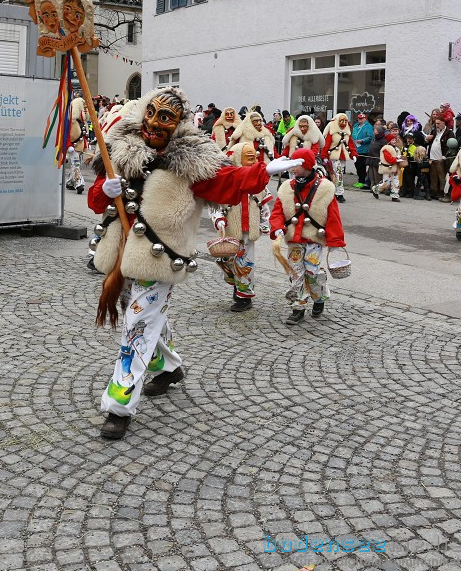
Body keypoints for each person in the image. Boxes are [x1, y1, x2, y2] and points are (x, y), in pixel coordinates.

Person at [87, 87, 269, 440]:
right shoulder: (121, 150)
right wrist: (105, 190)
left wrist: (263, 171)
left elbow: (225, 182)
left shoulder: (191, 161)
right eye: (151, 113)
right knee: (142, 316)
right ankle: (169, 368)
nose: (154, 123)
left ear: (179, 123)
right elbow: (97, 201)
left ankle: (119, 405)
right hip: (122, 254)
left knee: (137, 323)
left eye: (165, 117)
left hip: (160, 259)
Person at [268, 148, 345, 326]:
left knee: (312, 272)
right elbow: (278, 211)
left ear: (308, 165)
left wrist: (334, 240)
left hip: (314, 239)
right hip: (294, 239)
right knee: (296, 273)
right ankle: (298, 307)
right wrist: (278, 228)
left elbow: (333, 215)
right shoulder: (286, 187)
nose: (293, 168)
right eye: (292, 164)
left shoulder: (325, 188)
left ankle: (319, 296)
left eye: (297, 164)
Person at [210, 142, 273, 311]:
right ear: (237, 158)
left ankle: (244, 297)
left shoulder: (259, 180)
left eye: (254, 158)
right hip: (230, 229)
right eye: (248, 158)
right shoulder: (227, 180)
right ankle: (235, 286)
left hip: (249, 229)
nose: (252, 162)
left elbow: (264, 205)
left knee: (246, 262)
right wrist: (218, 219)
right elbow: (215, 205)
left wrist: (264, 222)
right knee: (227, 261)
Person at [322, 112, 358, 202]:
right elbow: (326, 144)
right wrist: (324, 155)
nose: (344, 123)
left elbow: (351, 144)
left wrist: (353, 154)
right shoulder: (332, 132)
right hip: (333, 156)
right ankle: (340, 193)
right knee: (339, 174)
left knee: (337, 174)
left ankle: (333, 191)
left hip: (343, 157)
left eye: (346, 121)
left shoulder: (347, 133)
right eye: (342, 121)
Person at [63, 95, 89, 194]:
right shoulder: (71, 121)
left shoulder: (82, 122)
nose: (85, 111)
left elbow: (83, 134)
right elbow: (66, 133)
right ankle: (79, 183)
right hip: (72, 147)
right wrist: (69, 145)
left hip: (79, 147)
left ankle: (70, 182)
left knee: (76, 164)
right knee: (76, 164)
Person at [425, 117, 454, 201]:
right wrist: (427, 139)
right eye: (436, 123)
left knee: (442, 177)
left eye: (438, 123)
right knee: (433, 176)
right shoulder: (434, 131)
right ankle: (433, 192)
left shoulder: (449, 133)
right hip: (432, 158)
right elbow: (429, 143)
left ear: (443, 123)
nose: (436, 125)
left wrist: (445, 157)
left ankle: (442, 193)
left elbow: (451, 147)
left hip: (441, 159)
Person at [373, 133, 402, 201]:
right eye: (392, 140)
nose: (394, 141)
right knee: (386, 182)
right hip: (388, 168)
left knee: (396, 182)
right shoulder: (386, 149)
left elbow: (398, 156)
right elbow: (388, 159)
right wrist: (396, 160)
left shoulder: (397, 149)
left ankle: (394, 196)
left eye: (395, 140)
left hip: (395, 168)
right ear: (389, 141)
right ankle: (375, 189)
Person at [351, 112, 374, 189]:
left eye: (361, 119)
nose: (360, 120)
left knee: (362, 166)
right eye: (359, 118)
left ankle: (362, 181)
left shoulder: (368, 126)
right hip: (356, 148)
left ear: (365, 119)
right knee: (357, 165)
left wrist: (363, 140)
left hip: (364, 149)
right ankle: (359, 180)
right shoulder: (356, 126)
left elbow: (370, 137)